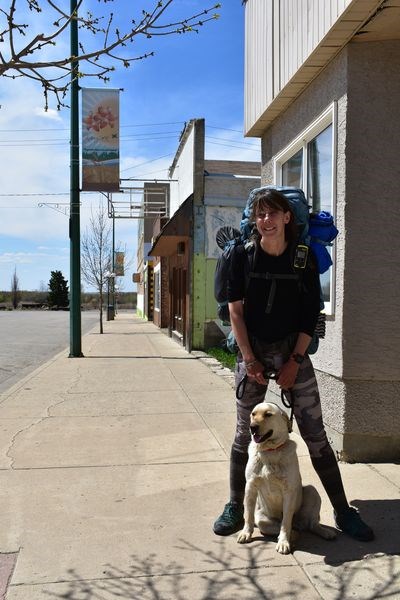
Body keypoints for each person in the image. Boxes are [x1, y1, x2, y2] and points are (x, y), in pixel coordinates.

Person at [213, 188, 374, 542]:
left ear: (288, 218)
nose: (266, 221)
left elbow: (309, 315)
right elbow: (235, 311)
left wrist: (295, 361)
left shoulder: (303, 257)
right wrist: (250, 359)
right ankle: (235, 507)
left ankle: (344, 511)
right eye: (260, 214)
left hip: (293, 352)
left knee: (316, 436)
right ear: (254, 220)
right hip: (251, 351)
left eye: (273, 213)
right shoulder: (242, 255)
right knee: (244, 434)